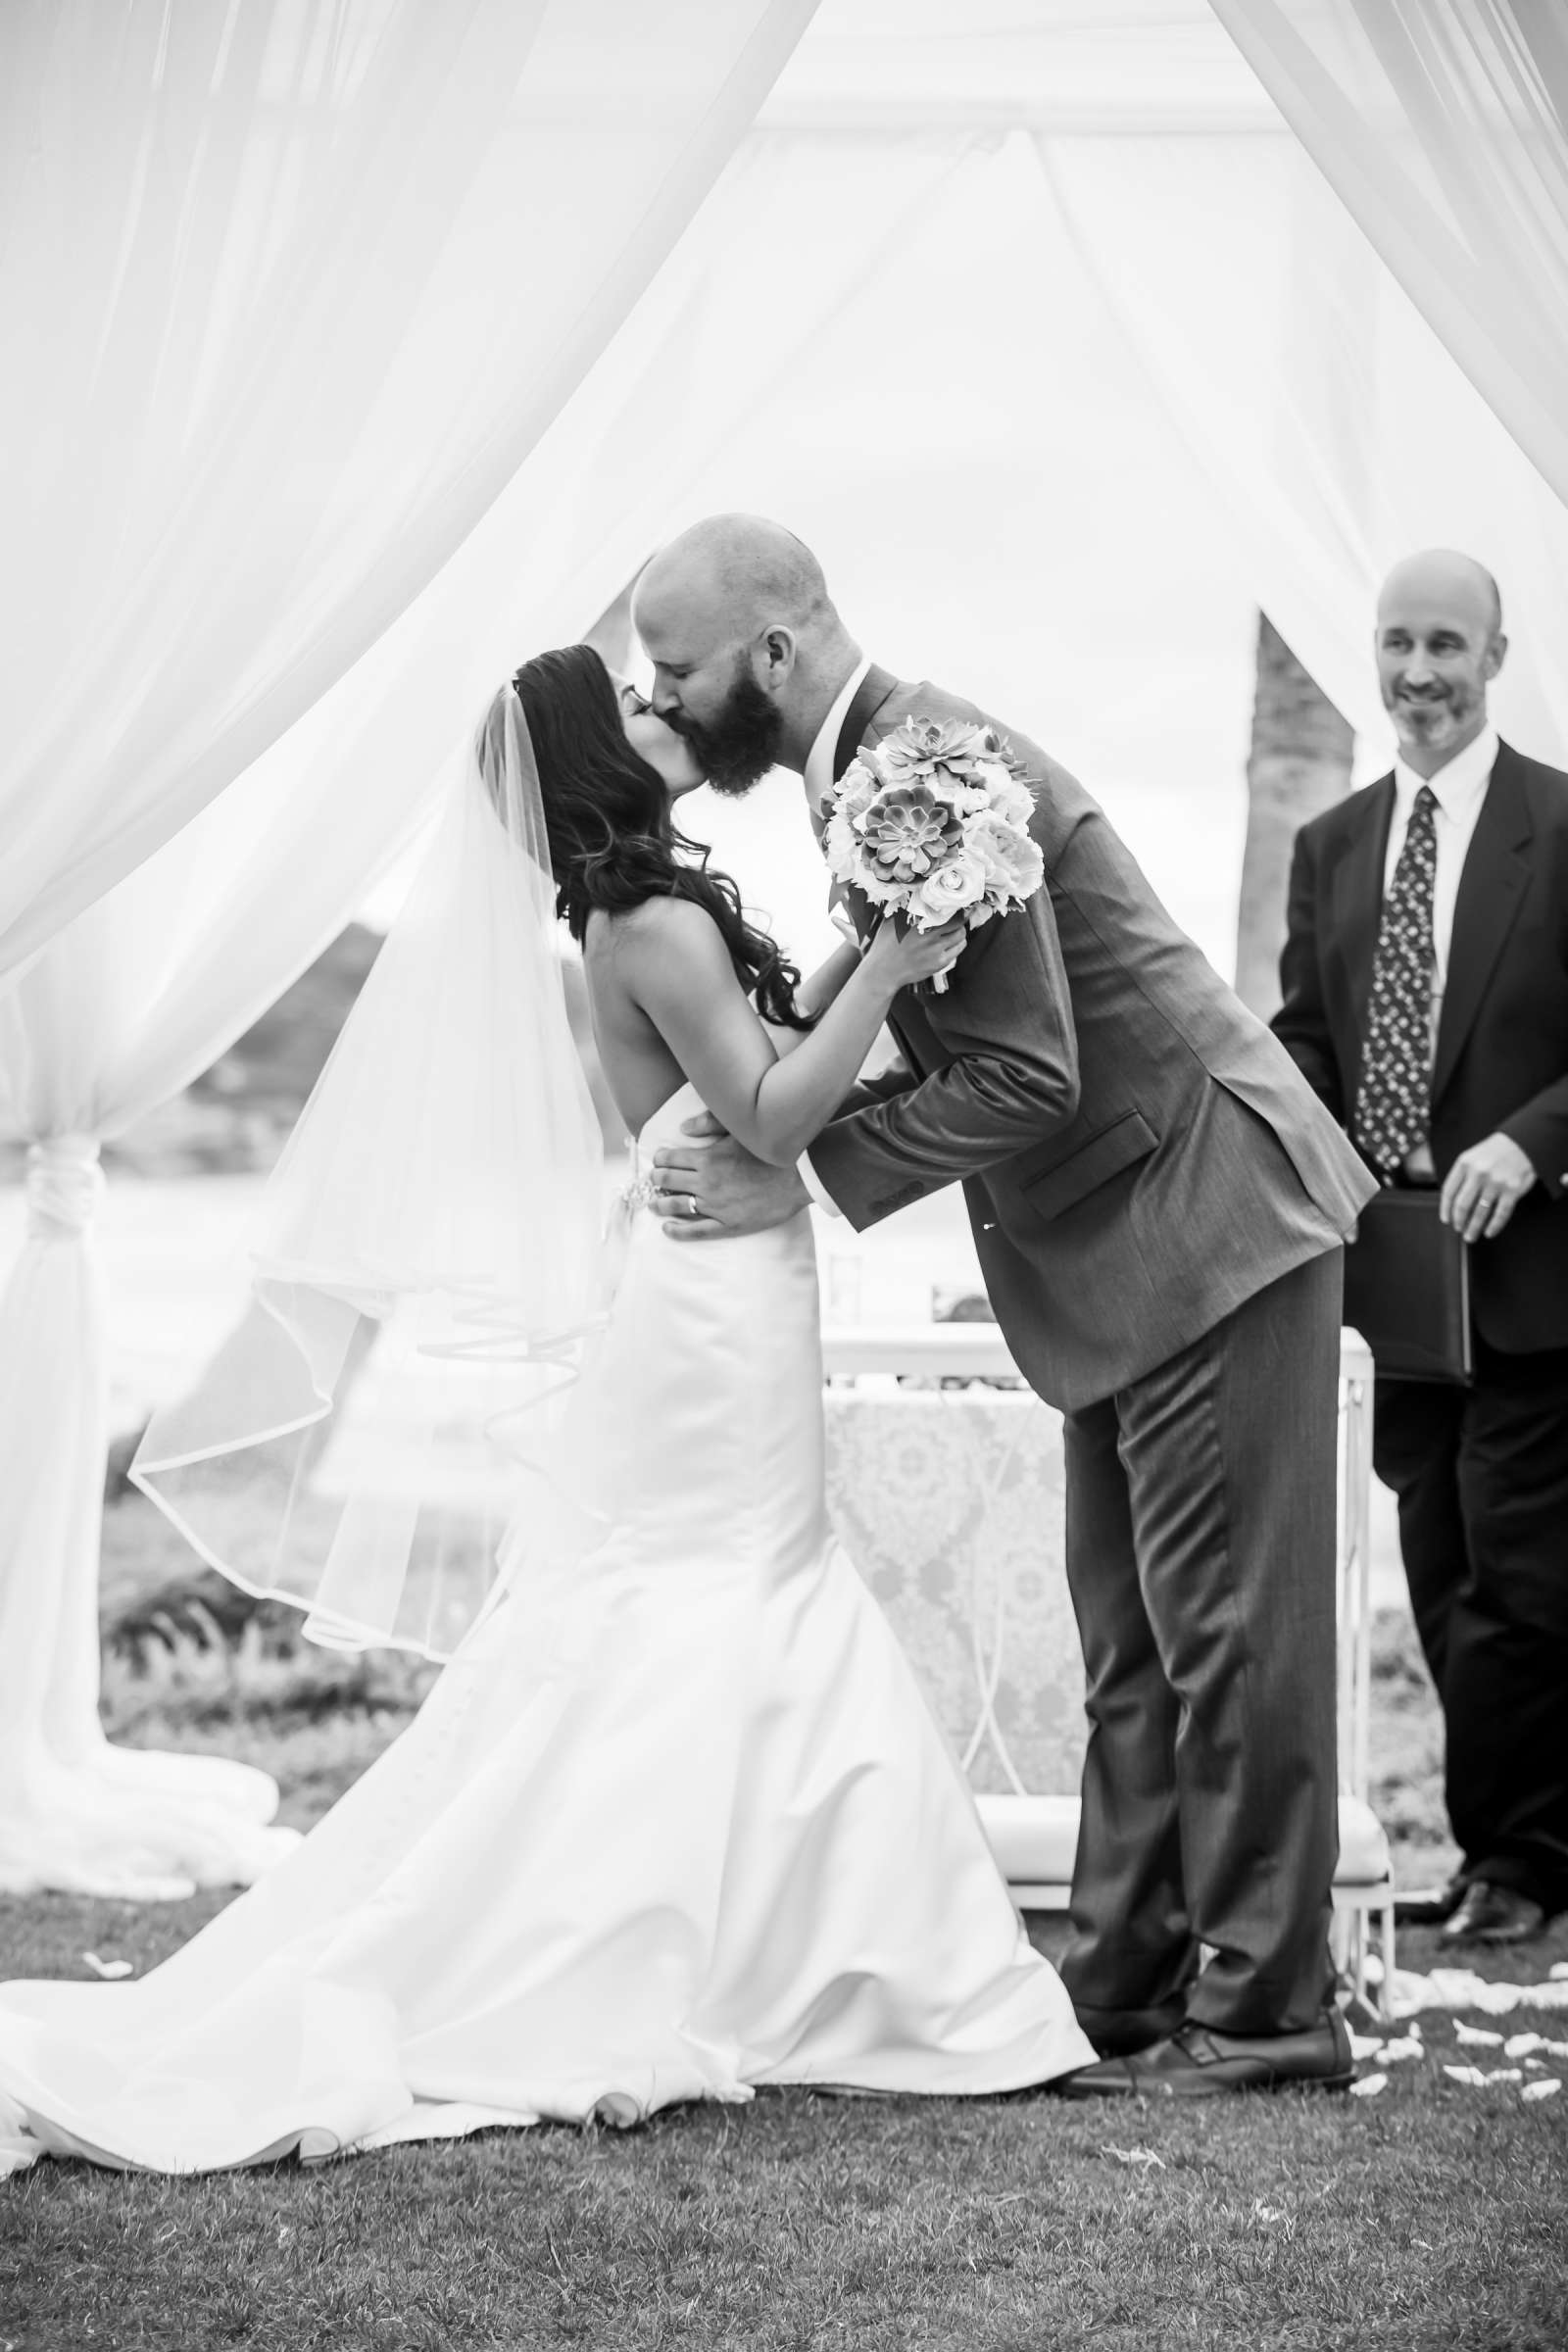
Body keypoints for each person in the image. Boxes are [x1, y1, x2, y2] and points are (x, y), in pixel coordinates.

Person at [0, 645, 1097, 2180]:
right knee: (725, 1595)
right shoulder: (645, 922)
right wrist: (906, 979)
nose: (668, 711)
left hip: (718, 1282)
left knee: (730, 1596)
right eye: (640, 705)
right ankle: (770, 1958)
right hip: (715, 1304)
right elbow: (777, 1116)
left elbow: (762, 1073)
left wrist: (885, 929)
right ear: (596, 752)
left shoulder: (630, 913)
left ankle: (783, 1952)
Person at [634, 514, 1378, 2098]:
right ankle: (1117, 1984)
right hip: (1128, 1241)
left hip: (1210, 1214)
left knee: (1229, 1643)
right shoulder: (879, 774)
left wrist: (810, 1174)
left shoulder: (927, 763)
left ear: (775, 652)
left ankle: (1267, 2018)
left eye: (679, 667)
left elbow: (1029, 1070)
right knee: (1130, 1640)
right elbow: (933, 1013)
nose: (666, 698)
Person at [1273, 549, 1568, 1946]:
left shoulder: (1562, 826)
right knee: (1444, 1569)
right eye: (1398, 644)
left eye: (1447, 644)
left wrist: (1533, 1138)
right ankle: (1509, 1847)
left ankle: (1521, 1861)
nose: (1418, 674)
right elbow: (1305, 1049)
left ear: (1496, 656)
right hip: (1389, 1285)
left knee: (1521, 1573)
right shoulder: (1329, 848)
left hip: (1531, 1271)